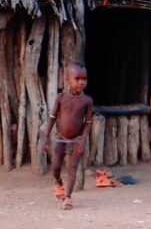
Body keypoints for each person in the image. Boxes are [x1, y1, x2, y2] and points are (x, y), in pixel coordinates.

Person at [42, 62, 94, 210]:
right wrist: (46, 136)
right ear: (68, 80)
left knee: (72, 167)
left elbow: (88, 122)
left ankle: (68, 197)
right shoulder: (61, 98)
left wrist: (83, 140)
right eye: (77, 79)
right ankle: (58, 182)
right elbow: (52, 117)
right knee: (55, 167)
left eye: (84, 79)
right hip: (60, 138)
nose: (82, 82)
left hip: (77, 140)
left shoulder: (87, 101)